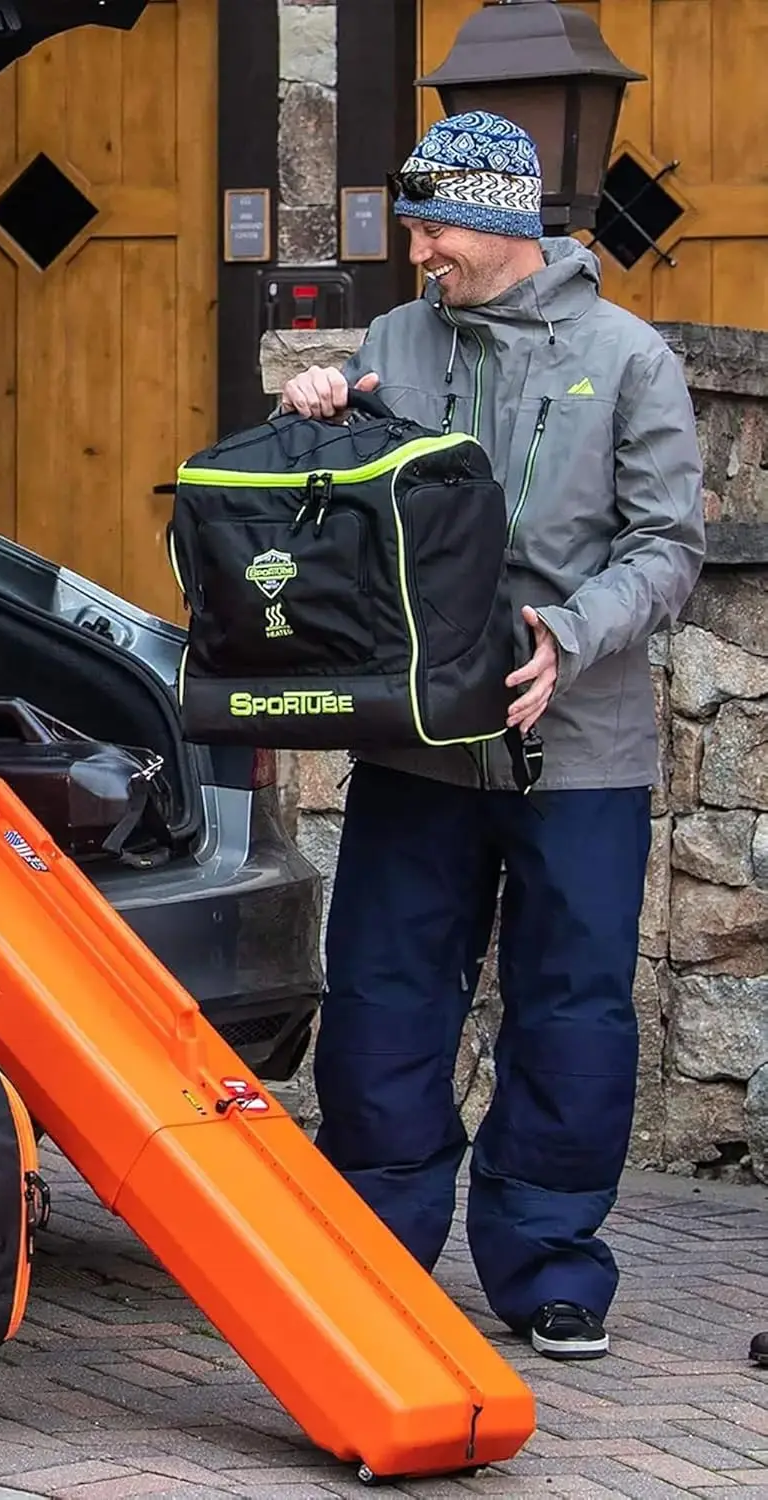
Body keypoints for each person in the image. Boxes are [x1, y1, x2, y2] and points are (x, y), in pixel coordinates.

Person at [280, 112, 705, 1360]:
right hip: (416, 744)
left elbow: (667, 549)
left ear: (507, 223)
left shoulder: (630, 358)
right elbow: (355, 508)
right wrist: (322, 412)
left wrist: (570, 637)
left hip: (580, 749)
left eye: (434, 224)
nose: (415, 249)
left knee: (571, 1008)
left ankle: (552, 1264)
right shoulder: (397, 342)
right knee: (381, 998)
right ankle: (374, 1244)